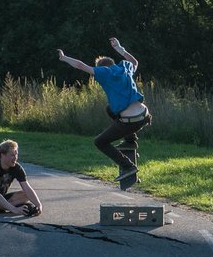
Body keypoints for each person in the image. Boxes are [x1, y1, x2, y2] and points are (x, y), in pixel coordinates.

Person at [57, 37, 151, 187]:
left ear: (101, 69)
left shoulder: (104, 73)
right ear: (113, 63)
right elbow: (135, 62)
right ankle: (130, 139)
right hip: (144, 115)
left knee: (100, 142)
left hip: (130, 122)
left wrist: (64, 58)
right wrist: (120, 49)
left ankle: (128, 166)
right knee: (110, 109)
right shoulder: (125, 68)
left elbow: (81, 65)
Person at [0, 139, 43, 215]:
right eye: (12, 155)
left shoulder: (16, 167)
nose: (15, 158)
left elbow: (27, 188)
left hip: (1, 198)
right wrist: (14, 210)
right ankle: (4, 208)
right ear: (2, 155)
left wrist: (38, 205)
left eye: (16, 154)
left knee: (26, 194)